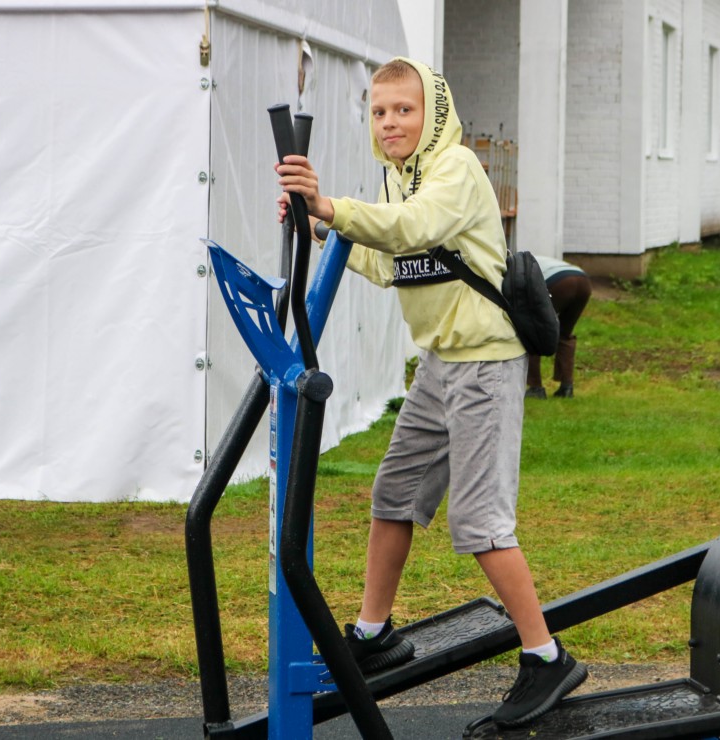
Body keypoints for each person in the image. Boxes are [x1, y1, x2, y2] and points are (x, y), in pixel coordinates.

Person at [276, 57, 587, 729]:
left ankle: (545, 656)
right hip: (439, 364)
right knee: (393, 493)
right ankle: (373, 634)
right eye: (379, 112)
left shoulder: (456, 169)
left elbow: (413, 228)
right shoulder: (399, 177)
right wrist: (318, 226)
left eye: (404, 110)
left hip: (485, 365)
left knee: (479, 522)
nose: (390, 123)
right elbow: (387, 261)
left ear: (434, 114)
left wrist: (331, 205)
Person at [526, 256, 591, 400]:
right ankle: (566, 387)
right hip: (583, 281)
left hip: (558, 282)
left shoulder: (513, 264)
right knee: (565, 334)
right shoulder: (532, 257)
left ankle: (536, 387)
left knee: (532, 333)